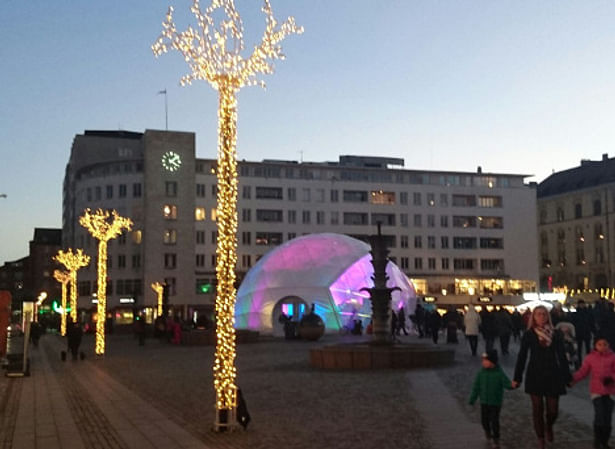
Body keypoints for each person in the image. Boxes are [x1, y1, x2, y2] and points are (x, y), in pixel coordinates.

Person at [513, 305, 572, 449]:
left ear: (548, 317)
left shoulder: (556, 334)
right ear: (534, 317)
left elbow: (562, 356)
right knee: (537, 408)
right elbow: (522, 356)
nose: (542, 317)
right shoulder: (529, 334)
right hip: (535, 373)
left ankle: (549, 425)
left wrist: (567, 377)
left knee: (553, 410)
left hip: (553, 373)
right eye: (539, 314)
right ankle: (540, 437)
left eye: (544, 314)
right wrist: (517, 377)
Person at [570, 334, 615, 449]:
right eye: (600, 344)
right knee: (599, 415)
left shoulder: (613, 357)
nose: (602, 346)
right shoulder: (590, 357)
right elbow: (583, 371)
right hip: (596, 391)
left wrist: (612, 378)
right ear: (595, 345)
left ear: (608, 345)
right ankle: (597, 440)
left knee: (608, 417)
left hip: (610, 392)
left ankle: (605, 441)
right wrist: (573, 379)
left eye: (605, 344)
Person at [469, 350, 514, 449]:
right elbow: (476, 387)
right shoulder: (481, 373)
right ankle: (487, 431)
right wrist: (472, 399)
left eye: (486, 360)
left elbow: (507, 383)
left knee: (494, 421)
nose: (483, 362)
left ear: (492, 362)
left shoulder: (499, 373)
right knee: (484, 420)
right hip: (484, 401)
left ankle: (496, 438)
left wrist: (512, 385)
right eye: (483, 360)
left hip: (495, 402)